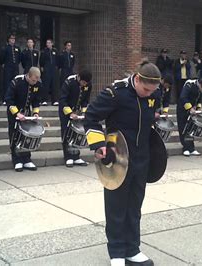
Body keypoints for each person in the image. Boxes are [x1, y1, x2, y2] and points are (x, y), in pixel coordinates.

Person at [83, 60, 161, 266]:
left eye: (152, 91)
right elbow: (90, 117)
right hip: (117, 160)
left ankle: (132, 249)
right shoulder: (115, 93)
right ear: (136, 79)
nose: (148, 94)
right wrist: (99, 144)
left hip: (142, 159)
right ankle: (117, 253)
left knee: (134, 207)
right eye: (145, 89)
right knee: (116, 207)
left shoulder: (153, 94)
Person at [5, 67, 42, 172]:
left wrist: (35, 113)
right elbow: (9, 99)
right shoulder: (17, 81)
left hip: (27, 112)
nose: (35, 82)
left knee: (27, 135)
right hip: (14, 111)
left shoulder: (38, 84)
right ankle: (16, 160)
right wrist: (17, 113)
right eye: (33, 80)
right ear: (28, 76)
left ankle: (26, 158)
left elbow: (36, 100)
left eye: (37, 80)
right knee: (14, 135)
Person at [59, 70, 91, 167]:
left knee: (76, 134)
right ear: (79, 78)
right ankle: (68, 157)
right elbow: (62, 99)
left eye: (86, 83)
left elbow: (85, 100)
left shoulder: (88, 85)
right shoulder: (69, 82)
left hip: (77, 111)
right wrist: (70, 113)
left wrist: (84, 112)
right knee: (67, 133)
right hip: (66, 110)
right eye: (83, 82)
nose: (84, 85)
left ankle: (76, 156)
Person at [176, 78, 202, 156]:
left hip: (192, 109)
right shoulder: (189, 84)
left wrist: (199, 107)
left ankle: (191, 148)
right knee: (183, 128)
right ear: (200, 85)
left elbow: (199, 99)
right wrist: (190, 108)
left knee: (190, 128)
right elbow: (183, 97)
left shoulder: (200, 89)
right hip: (183, 109)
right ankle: (185, 148)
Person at [0, 34, 21, 103]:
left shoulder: (17, 48)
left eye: (14, 39)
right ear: (8, 39)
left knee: (16, 82)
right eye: (11, 38)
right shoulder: (5, 48)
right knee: (7, 83)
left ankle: (15, 98)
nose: (13, 40)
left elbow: (19, 58)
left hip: (15, 67)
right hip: (8, 67)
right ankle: (5, 99)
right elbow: (1, 58)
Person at [40, 39, 58, 106]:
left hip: (53, 70)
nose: (48, 44)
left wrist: (57, 67)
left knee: (54, 85)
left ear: (52, 44)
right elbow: (41, 60)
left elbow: (57, 60)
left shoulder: (55, 51)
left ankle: (55, 100)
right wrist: (42, 67)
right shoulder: (44, 51)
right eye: (47, 43)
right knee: (46, 85)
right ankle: (44, 100)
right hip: (46, 69)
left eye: (49, 43)